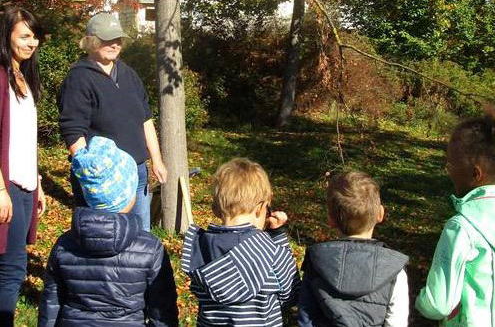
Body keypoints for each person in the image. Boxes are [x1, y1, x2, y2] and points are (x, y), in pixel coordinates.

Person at [38, 136, 179, 327]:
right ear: (127, 193)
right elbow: (162, 313)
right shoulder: (150, 249)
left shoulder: (65, 245)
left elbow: (50, 305)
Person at [58, 12, 166, 231]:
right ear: (91, 41)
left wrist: (156, 160)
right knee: (101, 239)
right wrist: (91, 174)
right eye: (107, 39)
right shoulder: (78, 78)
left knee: (140, 237)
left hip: (136, 171)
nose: (114, 44)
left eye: (118, 39)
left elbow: (146, 119)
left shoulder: (128, 74)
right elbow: (73, 130)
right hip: (104, 179)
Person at [181, 157, 300, 326]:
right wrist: (278, 234)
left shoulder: (199, 248)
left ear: (215, 208)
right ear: (260, 208)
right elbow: (291, 294)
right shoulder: (271, 252)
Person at [298, 171, 409, 327]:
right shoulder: (394, 271)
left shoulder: (317, 263)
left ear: (330, 219)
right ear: (380, 214)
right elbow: (397, 323)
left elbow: (307, 318)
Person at [416, 109, 495, 326]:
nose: (447, 169)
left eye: (451, 163)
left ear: (475, 174)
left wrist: (419, 300)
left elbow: (439, 303)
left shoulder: (461, 227)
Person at [0, 6, 46, 326]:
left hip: (26, 185)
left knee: (13, 265)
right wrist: (0, 189)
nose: (33, 43)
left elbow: (28, 138)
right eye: (25, 36)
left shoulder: (24, 77)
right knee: (12, 268)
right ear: (7, 36)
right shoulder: (1, 77)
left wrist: (39, 182)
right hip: (8, 185)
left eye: (35, 36)